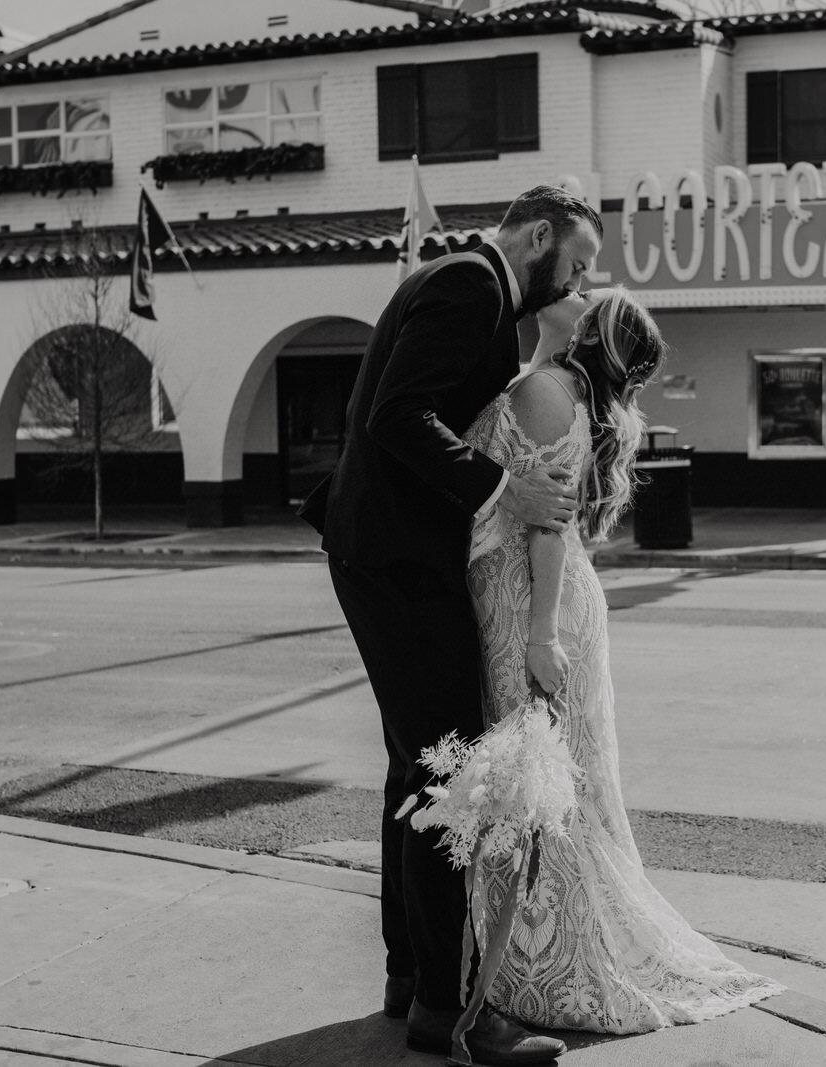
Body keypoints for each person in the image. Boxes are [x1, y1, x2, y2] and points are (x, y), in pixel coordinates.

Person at [319, 185, 603, 1066]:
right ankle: (454, 1010)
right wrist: (502, 486)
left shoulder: (461, 282)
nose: (583, 278)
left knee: (421, 766)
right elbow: (397, 416)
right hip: (398, 559)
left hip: (382, 551)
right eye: (580, 263)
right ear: (540, 237)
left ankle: (413, 976)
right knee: (457, 772)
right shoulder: (471, 286)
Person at [459, 288, 785, 1034]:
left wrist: (541, 637)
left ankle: (554, 966)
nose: (569, 291)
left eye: (582, 294)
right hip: (537, 596)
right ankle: (528, 957)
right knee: (545, 782)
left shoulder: (545, 390)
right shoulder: (555, 383)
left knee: (539, 782)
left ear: (589, 329)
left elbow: (545, 525)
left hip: (532, 603)